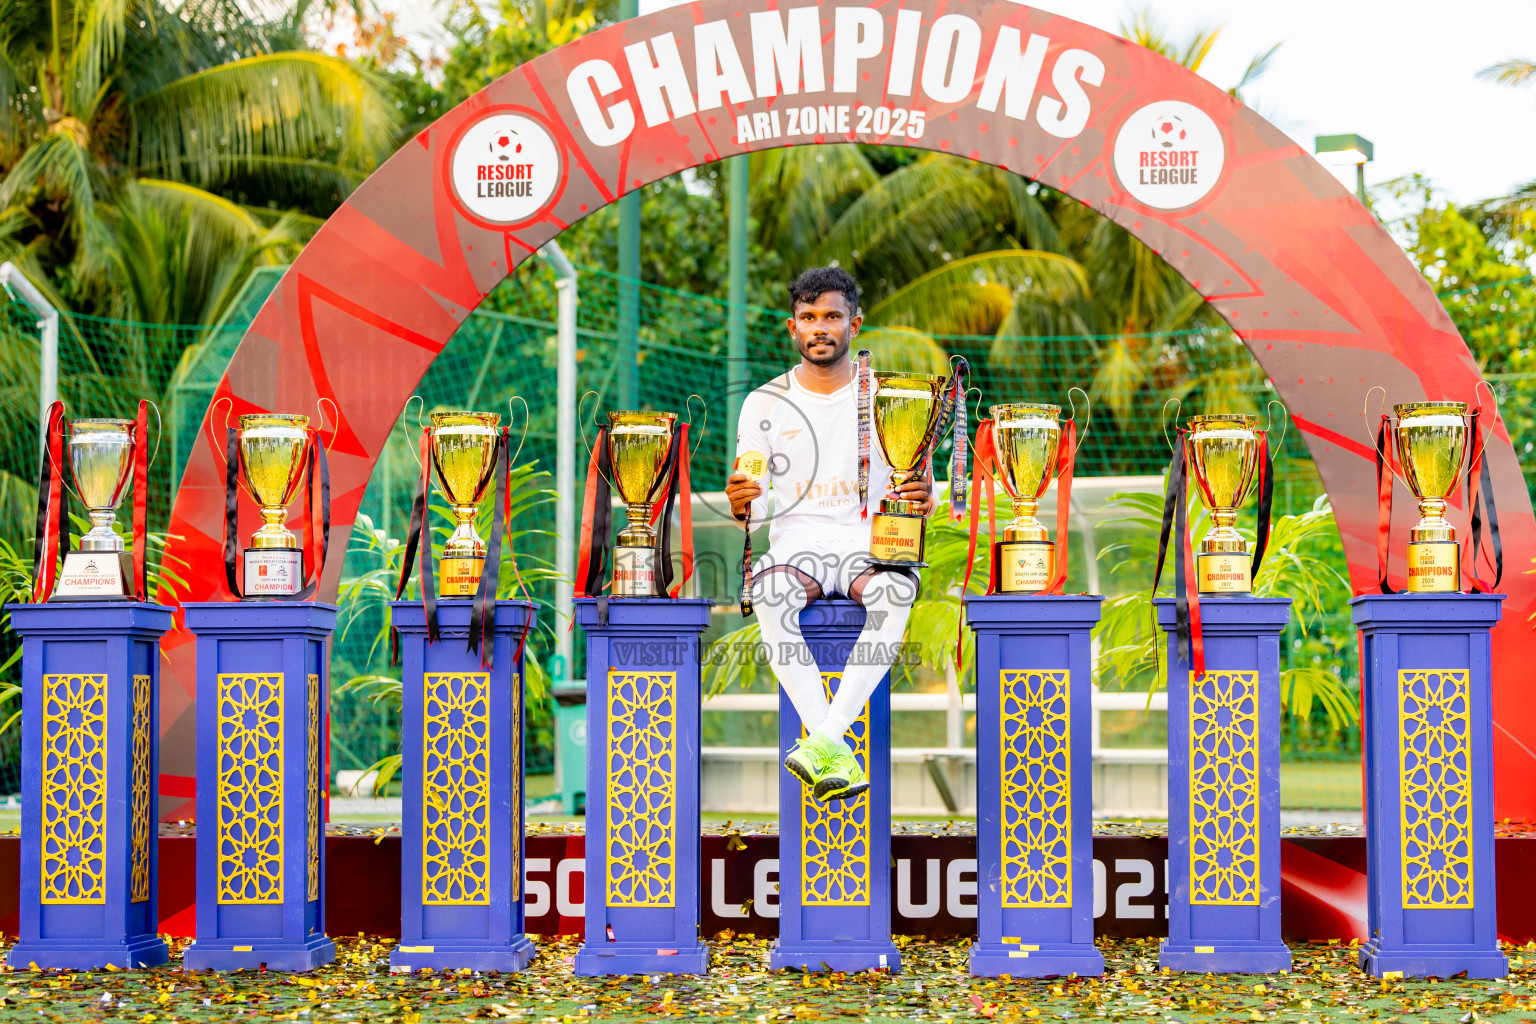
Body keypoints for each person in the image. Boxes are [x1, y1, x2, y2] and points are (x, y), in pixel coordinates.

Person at [725, 266, 929, 803]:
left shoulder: (893, 397)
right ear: (792, 328)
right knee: (769, 593)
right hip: (797, 548)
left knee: (897, 590)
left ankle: (824, 740)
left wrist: (922, 497)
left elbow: (916, 487)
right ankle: (833, 746)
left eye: (832, 317)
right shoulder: (764, 403)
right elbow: (762, 507)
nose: (821, 327)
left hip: (868, 546)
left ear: (854, 324)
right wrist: (745, 502)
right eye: (809, 317)